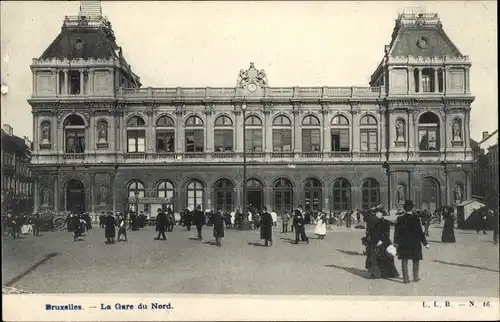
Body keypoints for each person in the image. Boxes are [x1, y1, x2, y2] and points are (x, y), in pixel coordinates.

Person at [394, 200, 429, 283]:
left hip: (403, 243)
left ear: (404, 208)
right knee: (415, 260)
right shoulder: (415, 218)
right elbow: (419, 232)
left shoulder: (400, 218)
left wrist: (395, 242)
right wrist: (425, 243)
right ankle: (415, 277)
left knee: (404, 260)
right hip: (414, 243)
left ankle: (405, 279)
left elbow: (397, 232)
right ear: (412, 208)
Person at [366, 210, 399, 279]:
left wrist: (382, 240)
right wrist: (374, 240)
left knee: (386, 257)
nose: (379, 214)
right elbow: (370, 233)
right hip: (374, 242)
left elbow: (387, 233)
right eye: (378, 212)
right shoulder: (372, 221)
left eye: (380, 213)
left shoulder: (385, 222)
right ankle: (375, 274)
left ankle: (387, 273)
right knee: (373, 258)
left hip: (384, 242)